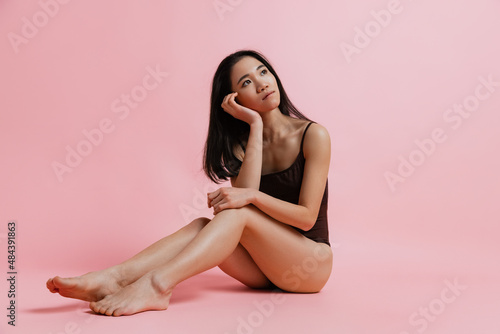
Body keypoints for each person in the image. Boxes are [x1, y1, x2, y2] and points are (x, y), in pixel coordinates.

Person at [46, 50, 333, 316]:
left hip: (310, 263)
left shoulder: (313, 135)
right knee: (201, 225)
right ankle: (113, 278)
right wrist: (255, 126)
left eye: (263, 72)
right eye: (247, 82)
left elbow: (305, 218)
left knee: (241, 211)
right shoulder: (242, 146)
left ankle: (158, 286)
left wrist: (252, 198)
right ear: (234, 99)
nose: (261, 84)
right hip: (263, 268)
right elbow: (242, 201)